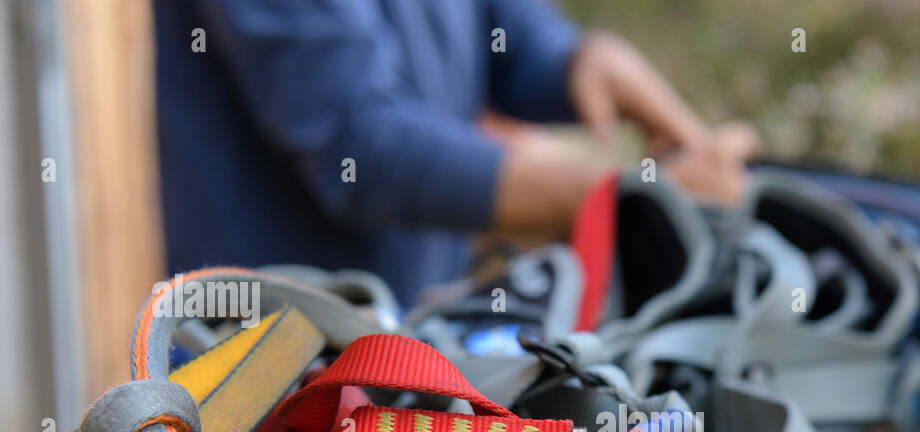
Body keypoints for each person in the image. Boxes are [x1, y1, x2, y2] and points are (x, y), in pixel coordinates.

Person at [153, 1, 757, 307]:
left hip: (402, 337)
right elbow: (365, 152)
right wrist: (636, 196)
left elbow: (511, 41)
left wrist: (581, 60)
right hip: (257, 367)